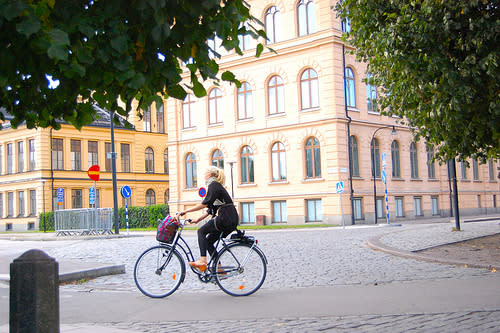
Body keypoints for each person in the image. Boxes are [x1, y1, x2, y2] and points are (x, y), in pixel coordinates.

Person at [178, 166, 238, 271]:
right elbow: (210, 210)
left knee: (201, 231)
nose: (204, 176)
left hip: (225, 218)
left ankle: (202, 261)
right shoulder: (216, 186)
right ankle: (219, 269)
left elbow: (204, 204)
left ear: (210, 175)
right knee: (208, 242)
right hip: (230, 218)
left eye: (205, 173)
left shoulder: (213, 185)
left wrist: (185, 211)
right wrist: (197, 220)